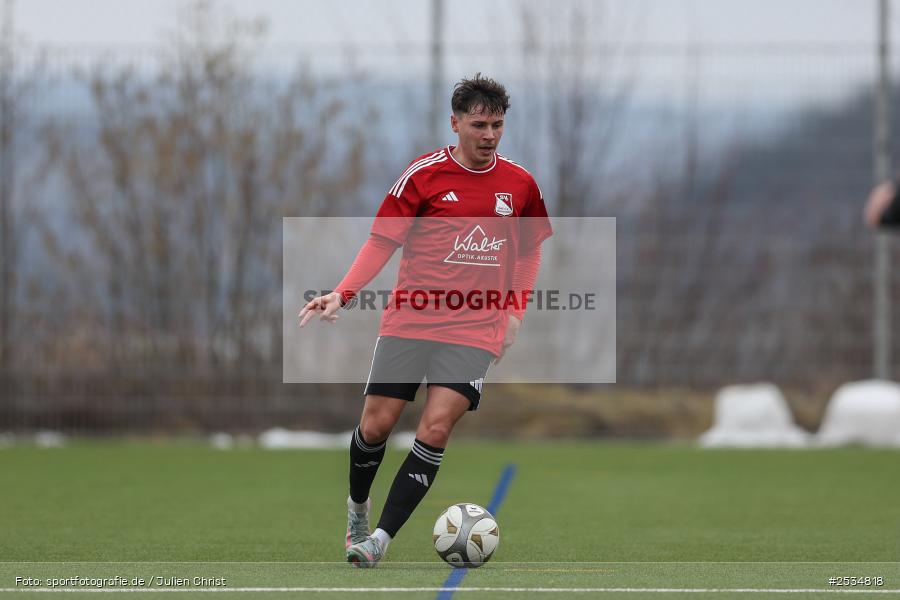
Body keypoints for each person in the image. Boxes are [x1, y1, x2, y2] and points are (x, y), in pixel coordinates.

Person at [298, 73, 552, 568]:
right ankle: (357, 512)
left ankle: (379, 541)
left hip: (476, 330)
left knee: (435, 428)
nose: (490, 136)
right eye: (479, 125)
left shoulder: (520, 185)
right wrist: (342, 294)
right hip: (411, 321)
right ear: (455, 123)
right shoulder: (421, 177)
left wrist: (515, 313)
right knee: (377, 425)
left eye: (498, 125)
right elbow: (381, 242)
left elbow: (528, 254)